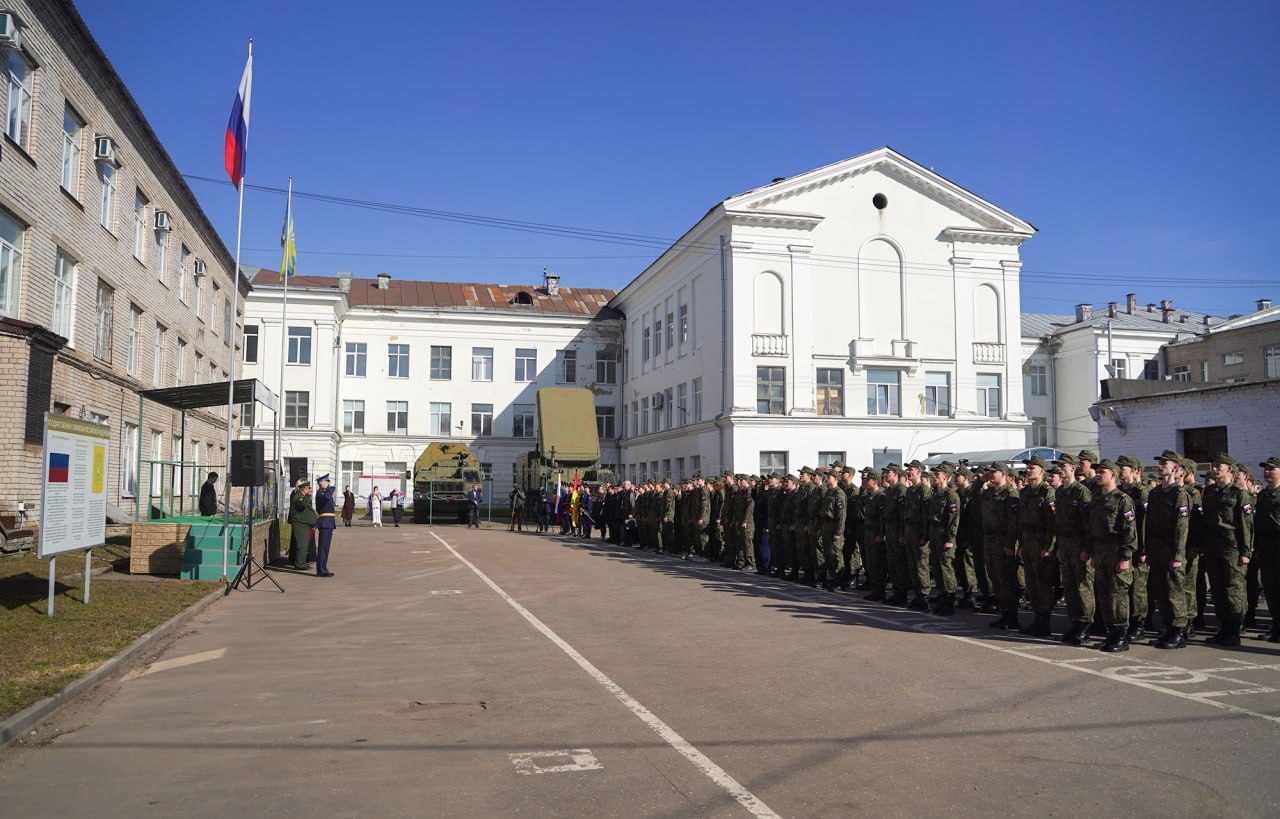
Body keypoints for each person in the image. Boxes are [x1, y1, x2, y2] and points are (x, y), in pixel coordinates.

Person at [1200, 453, 1254, 647]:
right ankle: (1223, 628)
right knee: (1217, 591)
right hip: (1213, 547)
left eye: (1219, 466)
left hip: (1232, 548)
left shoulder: (1240, 494)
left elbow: (1246, 525)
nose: (1215, 469)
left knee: (1233, 590)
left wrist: (1246, 552)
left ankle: (1234, 631)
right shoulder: (1209, 492)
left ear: (1229, 469)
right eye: (1213, 465)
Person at [1089, 459, 1138, 652]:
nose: (1098, 474)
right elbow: (1092, 529)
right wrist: (1093, 552)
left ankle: (1121, 636)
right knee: (1103, 595)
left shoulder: (1123, 499)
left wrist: (1126, 557)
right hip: (1100, 552)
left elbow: (1129, 531)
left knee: (1118, 596)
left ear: (1114, 475)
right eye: (1097, 471)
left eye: (1103, 471)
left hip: (1116, 552)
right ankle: (1110, 633)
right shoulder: (1097, 499)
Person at [289, 477, 318, 571]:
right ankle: (300, 564)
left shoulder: (302, 496)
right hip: (300, 523)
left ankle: (302, 562)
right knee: (302, 545)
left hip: (304, 523)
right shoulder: (298, 496)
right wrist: (308, 496)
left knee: (304, 545)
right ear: (303, 489)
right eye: (307, 488)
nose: (309, 490)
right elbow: (302, 505)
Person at [314, 474, 336, 577]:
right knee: (323, 547)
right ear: (322, 483)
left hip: (329, 521)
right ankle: (321, 570)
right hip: (325, 521)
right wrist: (331, 489)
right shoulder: (320, 493)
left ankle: (323, 568)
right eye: (327, 482)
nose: (329, 484)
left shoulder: (324, 492)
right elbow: (327, 497)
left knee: (325, 547)